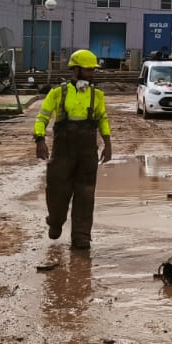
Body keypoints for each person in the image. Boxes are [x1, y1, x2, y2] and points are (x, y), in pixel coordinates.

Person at [34, 49, 113, 251]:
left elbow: (102, 118)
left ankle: (81, 237)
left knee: (86, 194)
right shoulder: (57, 93)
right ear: (76, 70)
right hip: (63, 152)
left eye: (93, 70)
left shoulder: (97, 95)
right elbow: (42, 117)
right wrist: (40, 140)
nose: (92, 74)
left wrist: (107, 142)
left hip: (87, 153)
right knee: (57, 192)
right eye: (88, 70)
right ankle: (55, 221)